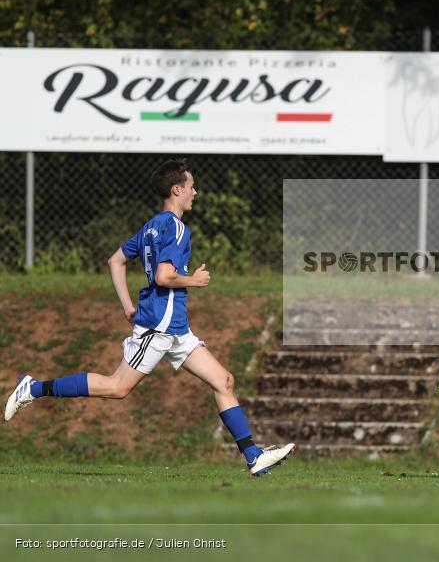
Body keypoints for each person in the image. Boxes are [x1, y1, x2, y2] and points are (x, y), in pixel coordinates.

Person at [4, 158, 295, 477]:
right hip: (160, 325)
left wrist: (128, 307)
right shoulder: (176, 227)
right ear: (177, 189)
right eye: (191, 186)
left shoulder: (153, 225)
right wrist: (193, 281)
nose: (195, 192)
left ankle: (253, 456)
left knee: (223, 380)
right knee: (117, 387)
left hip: (175, 328)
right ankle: (33, 388)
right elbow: (163, 276)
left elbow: (115, 261)